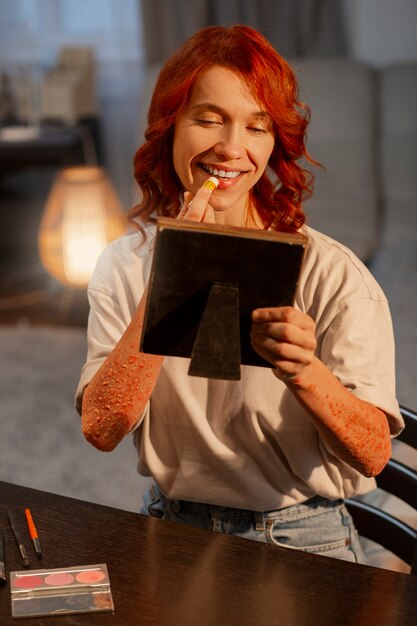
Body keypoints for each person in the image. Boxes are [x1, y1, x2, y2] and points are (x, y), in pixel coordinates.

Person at [76, 25, 403, 564]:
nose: (231, 148)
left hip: (303, 534)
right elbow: (103, 428)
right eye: (208, 119)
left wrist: (305, 370)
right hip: (171, 522)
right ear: (169, 127)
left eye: (256, 127)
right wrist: (172, 275)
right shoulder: (124, 264)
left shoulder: (332, 272)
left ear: (274, 143)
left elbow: (372, 454)